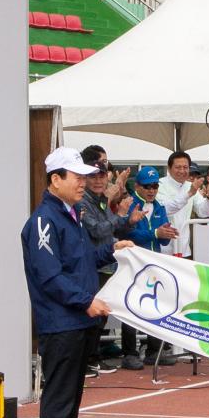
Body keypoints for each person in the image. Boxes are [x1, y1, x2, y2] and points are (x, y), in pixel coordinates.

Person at [21, 147, 134, 418]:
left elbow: (82, 260)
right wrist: (86, 301)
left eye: (85, 176)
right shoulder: (44, 220)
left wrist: (111, 249)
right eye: (77, 176)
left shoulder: (72, 215)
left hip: (79, 319)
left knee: (72, 393)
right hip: (62, 321)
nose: (84, 182)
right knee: (59, 393)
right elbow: (49, 274)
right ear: (56, 180)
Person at [120, 166, 178, 369]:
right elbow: (128, 233)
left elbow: (162, 241)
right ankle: (129, 352)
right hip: (133, 263)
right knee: (130, 306)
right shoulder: (130, 205)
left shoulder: (160, 207)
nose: (151, 190)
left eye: (155, 186)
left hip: (154, 264)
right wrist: (156, 233)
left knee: (156, 304)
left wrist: (166, 233)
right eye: (147, 186)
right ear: (137, 186)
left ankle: (154, 351)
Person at [77, 154, 128, 376]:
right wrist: (120, 216)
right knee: (92, 315)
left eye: (102, 176)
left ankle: (93, 357)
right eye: (93, 176)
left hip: (105, 263)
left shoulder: (99, 200)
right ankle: (87, 359)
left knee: (101, 315)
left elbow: (109, 230)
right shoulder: (83, 201)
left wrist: (127, 219)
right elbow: (98, 230)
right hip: (92, 265)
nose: (98, 181)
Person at [158, 151, 209, 256]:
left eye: (185, 167)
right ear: (169, 168)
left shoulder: (190, 185)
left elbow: (203, 212)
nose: (182, 170)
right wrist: (189, 193)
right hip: (162, 249)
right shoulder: (159, 185)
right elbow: (166, 209)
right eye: (178, 167)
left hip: (184, 249)